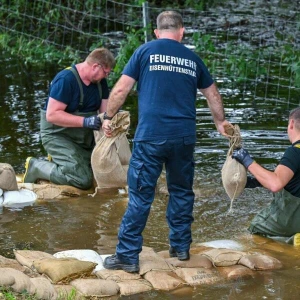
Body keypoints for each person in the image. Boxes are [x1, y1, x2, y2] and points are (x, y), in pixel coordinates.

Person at [101, 10, 231, 273]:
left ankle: (127, 255)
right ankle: (181, 247)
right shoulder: (193, 59)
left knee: (140, 196)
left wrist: (108, 116)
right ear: (181, 31)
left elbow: (121, 89)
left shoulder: (145, 52)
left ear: (157, 32)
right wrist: (220, 122)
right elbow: (212, 93)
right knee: (182, 192)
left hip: (151, 136)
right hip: (183, 137)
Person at [23, 48, 115, 190]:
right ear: (96, 66)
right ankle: (37, 167)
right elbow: (52, 115)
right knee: (82, 180)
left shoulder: (100, 83)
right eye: (106, 73)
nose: (106, 77)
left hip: (84, 137)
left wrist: (109, 121)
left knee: (102, 171)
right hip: (58, 135)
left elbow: (105, 112)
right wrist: (85, 121)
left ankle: (60, 161)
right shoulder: (66, 80)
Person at [232, 107, 300, 243]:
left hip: (295, 219)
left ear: (291, 124)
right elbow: (294, 179)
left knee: (254, 232)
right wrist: (256, 181)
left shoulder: (295, 152)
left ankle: (288, 249)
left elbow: (275, 184)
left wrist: (247, 161)